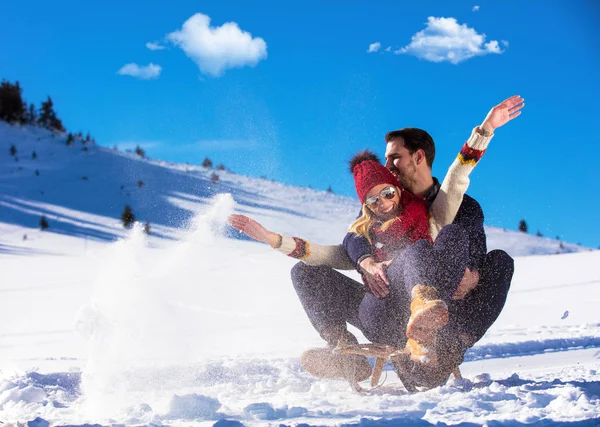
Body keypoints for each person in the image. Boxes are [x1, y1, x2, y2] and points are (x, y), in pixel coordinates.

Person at [229, 95, 524, 389]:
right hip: (381, 307)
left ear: (418, 157)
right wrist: (275, 239)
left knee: (485, 258)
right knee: (306, 271)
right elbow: (340, 249)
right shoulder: (370, 218)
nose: (381, 199)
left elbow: (458, 176)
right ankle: (344, 351)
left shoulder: (448, 209)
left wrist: (486, 129)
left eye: (393, 159)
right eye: (372, 198)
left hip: (442, 303)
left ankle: (444, 347)